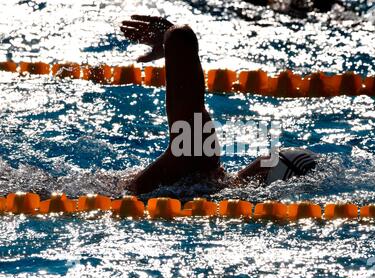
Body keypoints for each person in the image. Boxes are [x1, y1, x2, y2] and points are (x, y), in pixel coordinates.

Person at [120, 16, 316, 195]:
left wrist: (169, 34)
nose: (268, 153)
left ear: (265, 172)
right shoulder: (209, 188)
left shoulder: (195, 159)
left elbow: (182, 39)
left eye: (275, 154)